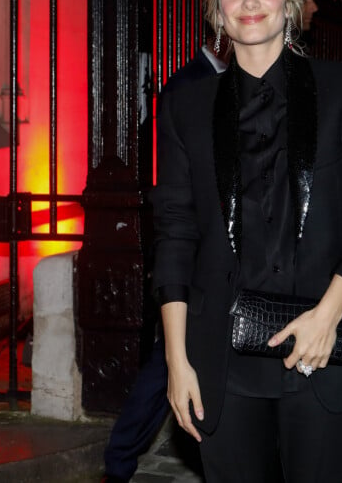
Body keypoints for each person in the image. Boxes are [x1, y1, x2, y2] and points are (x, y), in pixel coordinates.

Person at [152, 0, 342, 483]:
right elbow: (174, 232)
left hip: (325, 343)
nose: (249, 3)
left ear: (289, 2)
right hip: (224, 356)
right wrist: (177, 360)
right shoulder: (186, 106)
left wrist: (329, 313)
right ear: (216, 9)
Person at [101, 36, 228, 483]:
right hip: (192, 251)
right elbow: (180, 179)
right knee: (166, 362)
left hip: (223, 256)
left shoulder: (235, 80)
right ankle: (118, 461)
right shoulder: (188, 84)